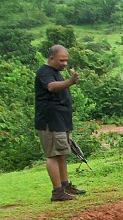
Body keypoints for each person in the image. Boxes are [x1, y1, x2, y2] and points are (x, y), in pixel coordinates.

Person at [34, 45, 86, 202]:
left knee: (62, 153)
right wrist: (70, 81)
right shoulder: (44, 72)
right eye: (61, 60)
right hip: (50, 121)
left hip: (61, 121)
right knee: (53, 155)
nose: (64, 64)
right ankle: (57, 191)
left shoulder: (56, 72)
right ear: (51, 59)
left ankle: (65, 186)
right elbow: (51, 87)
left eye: (66, 61)